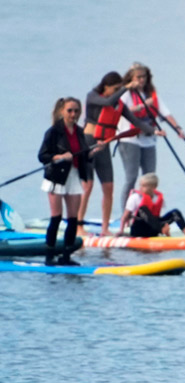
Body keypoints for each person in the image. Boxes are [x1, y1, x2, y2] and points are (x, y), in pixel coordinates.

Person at [80, 71, 150, 236]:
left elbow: (136, 121)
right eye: (116, 88)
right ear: (106, 86)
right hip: (88, 143)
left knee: (109, 187)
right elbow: (107, 101)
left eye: (120, 88)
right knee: (88, 186)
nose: (119, 92)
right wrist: (126, 87)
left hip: (103, 146)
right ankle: (78, 226)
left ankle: (105, 229)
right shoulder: (93, 96)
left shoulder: (118, 104)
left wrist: (154, 131)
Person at [38, 97, 99, 265]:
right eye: (70, 111)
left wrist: (92, 153)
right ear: (62, 112)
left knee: (73, 218)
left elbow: (83, 155)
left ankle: (66, 256)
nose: (73, 114)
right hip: (56, 177)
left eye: (76, 111)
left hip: (73, 176)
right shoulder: (53, 132)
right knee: (56, 217)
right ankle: (49, 255)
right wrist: (59, 156)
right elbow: (42, 156)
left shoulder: (80, 131)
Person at [116, 63, 181, 213]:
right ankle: (126, 215)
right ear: (131, 78)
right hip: (129, 140)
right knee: (131, 178)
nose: (141, 80)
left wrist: (178, 129)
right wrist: (143, 106)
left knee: (150, 179)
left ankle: (149, 213)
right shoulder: (125, 94)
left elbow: (165, 113)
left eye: (144, 77)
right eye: (138, 77)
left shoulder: (151, 94)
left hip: (148, 141)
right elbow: (122, 110)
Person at [118, 173, 185, 237]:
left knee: (175, 212)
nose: (140, 188)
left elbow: (157, 217)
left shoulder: (158, 198)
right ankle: (162, 229)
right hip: (139, 230)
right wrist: (121, 231)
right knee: (143, 208)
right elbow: (125, 216)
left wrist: (163, 224)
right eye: (141, 185)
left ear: (154, 187)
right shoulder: (134, 197)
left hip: (153, 229)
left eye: (144, 186)